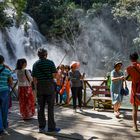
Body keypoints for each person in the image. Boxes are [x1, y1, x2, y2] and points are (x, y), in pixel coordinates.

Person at [32, 47, 60, 133]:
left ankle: (41, 127)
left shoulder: (35, 64)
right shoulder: (50, 62)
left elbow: (34, 78)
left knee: (40, 107)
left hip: (40, 86)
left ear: (38, 55)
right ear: (46, 55)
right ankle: (51, 128)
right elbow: (55, 76)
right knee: (50, 108)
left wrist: (36, 89)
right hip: (49, 86)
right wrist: (56, 72)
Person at [126, 52, 140, 131]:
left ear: (131, 59)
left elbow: (129, 78)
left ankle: (135, 126)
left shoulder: (129, 68)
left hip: (135, 90)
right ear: (137, 58)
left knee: (135, 108)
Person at [0, 55, 13, 135]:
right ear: (3, 61)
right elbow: (11, 82)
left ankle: (0, 128)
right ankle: (4, 127)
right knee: (4, 110)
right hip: (4, 91)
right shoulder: (7, 71)